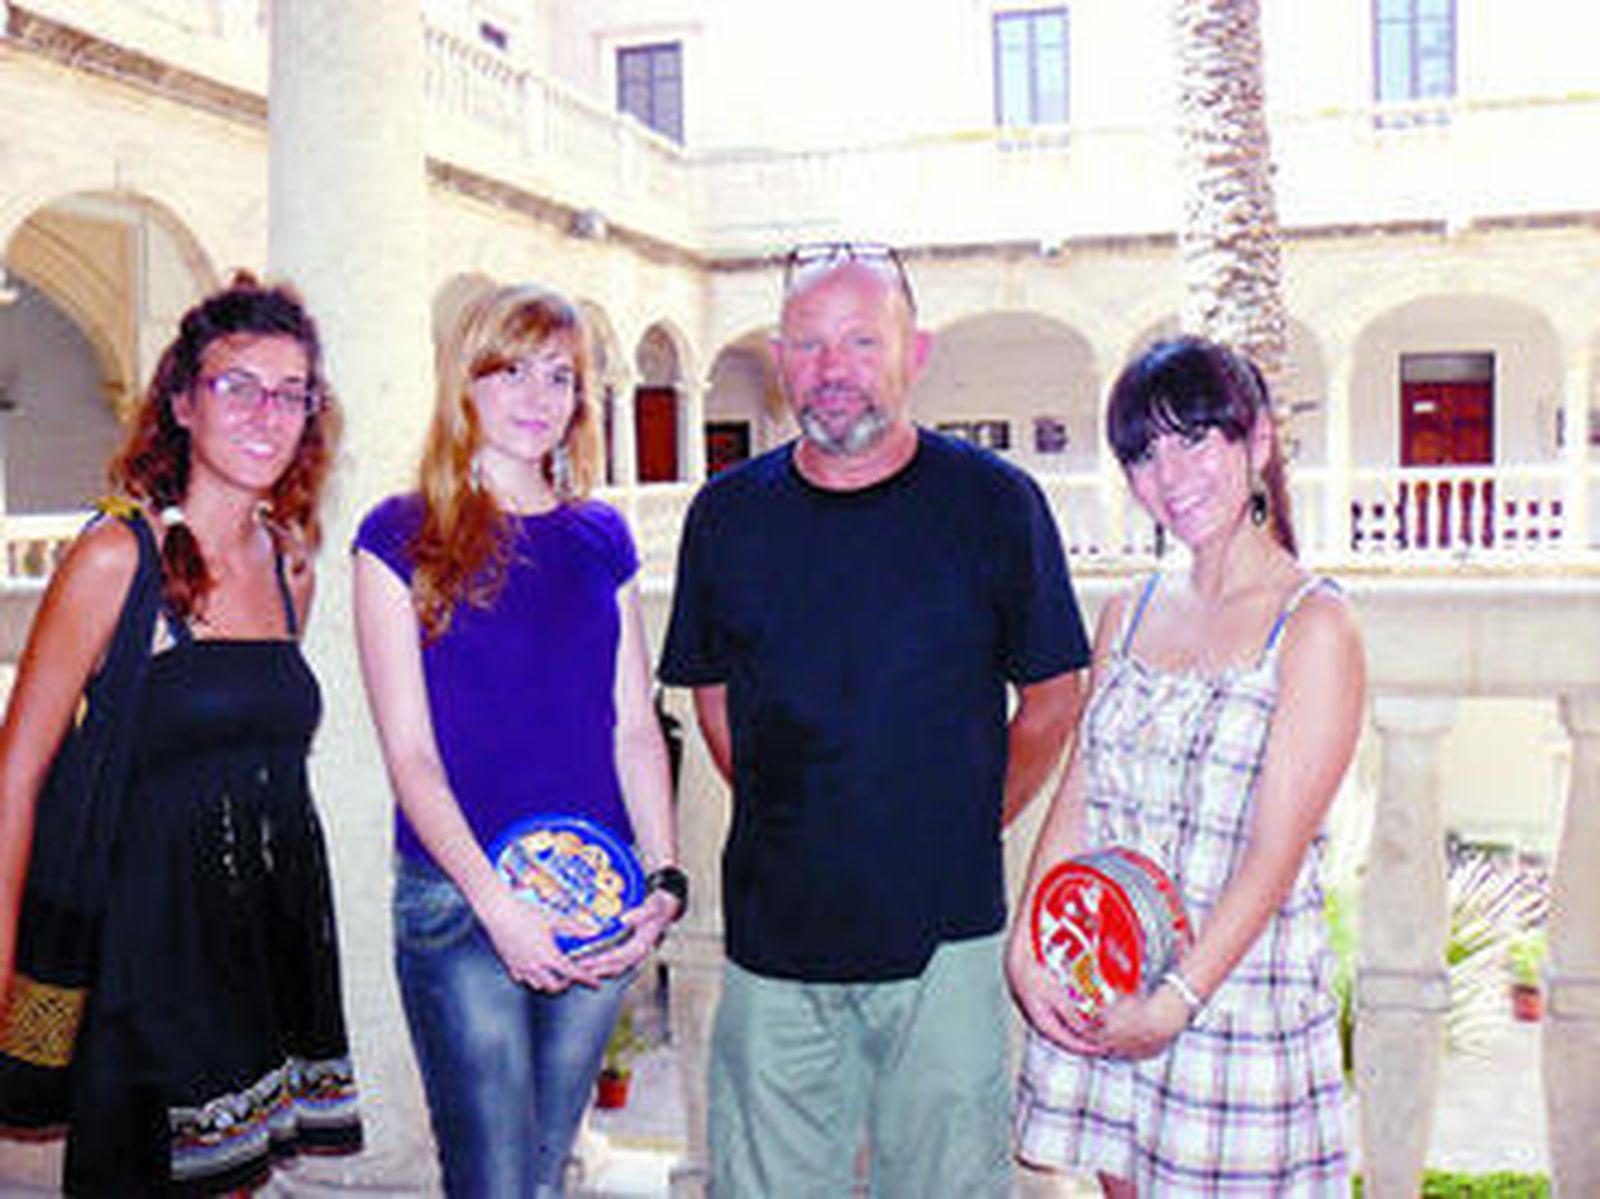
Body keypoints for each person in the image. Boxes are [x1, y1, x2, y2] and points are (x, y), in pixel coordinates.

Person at [659, 242, 1091, 1196]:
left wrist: (968, 818)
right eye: (809, 344)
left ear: (915, 351)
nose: (833, 368)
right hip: (774, 944)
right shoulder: (727, 515)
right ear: (780, 357)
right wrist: (799, 812)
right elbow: (715, 700)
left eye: (862, 340)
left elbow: (1056, 694)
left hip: (945, 939)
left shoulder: (993, 504)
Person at [0, 274, 362, 1192]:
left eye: (291, 393)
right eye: (237, 384)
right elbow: (16, 776)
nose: (266, 412)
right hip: (139, 956)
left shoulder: (290, 564)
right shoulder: (119, 558)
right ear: (182, 403)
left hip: (253, 940)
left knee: (234, 1176)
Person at [1008, 337, 1365, 1196]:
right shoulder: (1126, 611)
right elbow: (1083, 794)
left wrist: (1177, 999)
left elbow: (1275, 855)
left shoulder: (1312, 625)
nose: (1170, 474)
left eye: (1195, 438)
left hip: (1232, 1005)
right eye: (1144, 451)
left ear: (1259, 442)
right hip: (1117, 985)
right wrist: (1027, 941)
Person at [352, 282, 683, 1196]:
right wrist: (501, 906)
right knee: (493, 1181)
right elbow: (409, 756)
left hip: (594, 891)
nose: (538, 397)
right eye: (510, 371)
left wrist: (663, 882)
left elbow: (634, 730)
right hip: (463, 906)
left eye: (560, 376)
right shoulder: (397, 536)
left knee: (540, 1174)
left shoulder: (603, 537)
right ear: (466, 383)